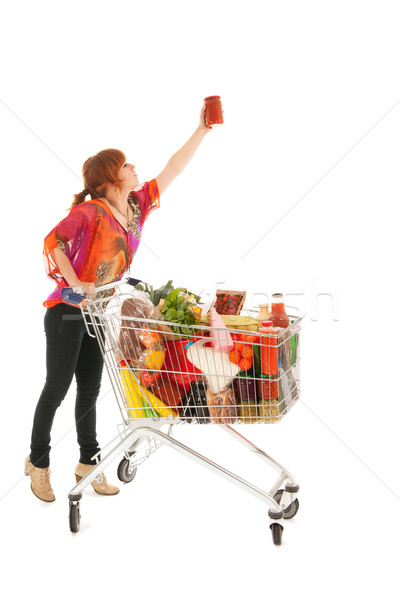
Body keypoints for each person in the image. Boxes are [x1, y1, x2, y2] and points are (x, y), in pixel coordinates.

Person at [25, 104, 212, 502]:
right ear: (111, 177)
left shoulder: (135, 207)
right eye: (126, 165)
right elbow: (52, 242)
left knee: (90, 391)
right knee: (57, 388)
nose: (134, 168)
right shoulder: (91, 211)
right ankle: (38, 462)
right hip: (65, 313)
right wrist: (75, 283)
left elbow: (173, 168)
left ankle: (87, 463)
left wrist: (202, 131)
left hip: (96, 314)